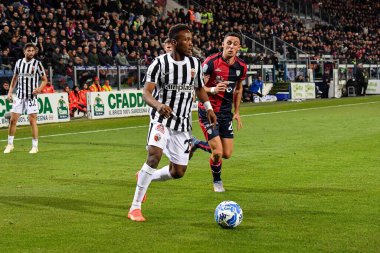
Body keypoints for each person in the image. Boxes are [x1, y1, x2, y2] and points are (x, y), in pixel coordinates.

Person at [128, 24, 217, 222]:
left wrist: (209, 108)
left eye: (191, 39)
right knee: (154, 155)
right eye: (186, 40)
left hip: (183, 124)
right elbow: (146, 92)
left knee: (178, 172)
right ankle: (135, 207)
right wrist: (159, 105)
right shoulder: (159, 64)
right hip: (161, 120)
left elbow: (200, 89)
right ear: (175, 43)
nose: (191, 43)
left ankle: (145, 175)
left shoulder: (195, 64)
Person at [190, 32, 247, 192]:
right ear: (222, 44)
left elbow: (238, 89)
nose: (231, 46)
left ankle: (195, 143)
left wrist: (237, 112)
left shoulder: (241, 67)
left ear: (239, 47)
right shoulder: (210, 63)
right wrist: (213, 89)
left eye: (234, 44)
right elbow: (198, 89)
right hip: (208, 112)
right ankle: (217, 181)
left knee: (227, 153)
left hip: (225, 114)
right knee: (217, 152)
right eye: (228, 43)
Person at [4, 43, 48, 154]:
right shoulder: (19, 63)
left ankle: (35, 146)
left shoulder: (37, 64)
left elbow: (44, 80)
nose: (31, 52)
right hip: (19, 96)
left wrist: (39, 89)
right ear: (24, 51)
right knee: (13, 120)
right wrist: (10, 92)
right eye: (29, 50)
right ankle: (10, 144)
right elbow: (15, 78)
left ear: (35, 52)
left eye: (33, 50)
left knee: (32, 121)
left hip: (31, 97)